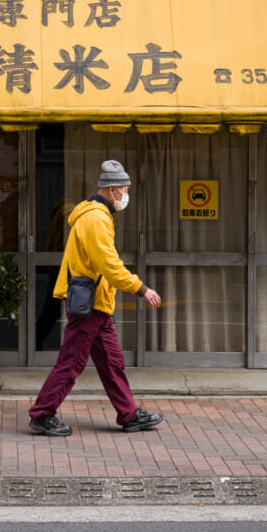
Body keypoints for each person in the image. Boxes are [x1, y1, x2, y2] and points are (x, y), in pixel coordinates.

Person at [28, 160, 164, 437]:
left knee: (112, 362)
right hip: (89, 304)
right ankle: (42, 414)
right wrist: (141, 288)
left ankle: (129, 414)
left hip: (97, 304)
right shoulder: (96, 218)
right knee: (72, 362)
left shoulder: (97, 215)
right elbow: (109, 265)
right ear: (112, 190)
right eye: (125, 190)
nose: (126, 195)